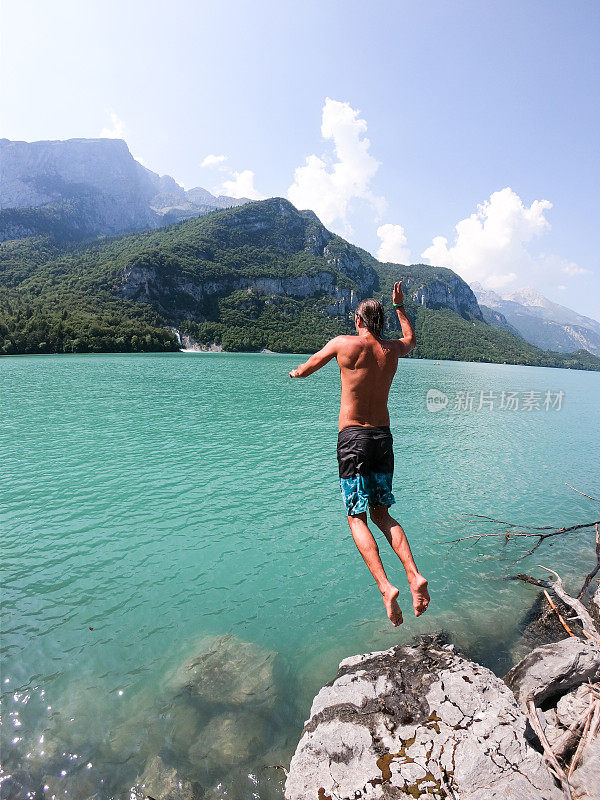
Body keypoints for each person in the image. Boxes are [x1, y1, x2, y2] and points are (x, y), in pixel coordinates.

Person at [289, 281, 429, 627]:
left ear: (357, 319)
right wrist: (401, 306)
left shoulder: (343, 344)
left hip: (353, 439)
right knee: (384, 514)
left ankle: (385, 587)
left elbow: (307, 368)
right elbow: (411, 339)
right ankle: (413, 575)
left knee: (356, 516)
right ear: (381, 321)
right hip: (383, 438)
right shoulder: (392, 350)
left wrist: (293, 372)